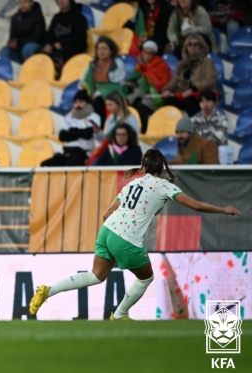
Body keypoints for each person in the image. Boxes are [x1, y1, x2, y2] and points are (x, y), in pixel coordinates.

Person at [29, 149, 242, 319]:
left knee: (96, 275)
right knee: (146, 277)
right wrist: (223, 209)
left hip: (107, 231)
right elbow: (195, 205)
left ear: (144, 167)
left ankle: (48, 290)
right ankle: (120, 314)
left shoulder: (132, 183)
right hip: (126, 239)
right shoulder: (163, 186)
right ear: (162, 168)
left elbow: (106, 214)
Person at [162, 34, 217, 118]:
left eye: (196, 44)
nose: (192, 47)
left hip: (201, 96)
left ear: (201, 46)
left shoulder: (207, 62)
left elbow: (210, 80)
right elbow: (175, 81)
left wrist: (193, 89)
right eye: (190, 44)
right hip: (183, 94)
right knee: (169, 101)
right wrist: (168, 90)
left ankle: (196, 128)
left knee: (189, 101)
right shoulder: (181, 64)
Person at [41, 90, 100, 166]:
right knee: (45, 165)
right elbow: (62, 136)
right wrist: (79, 132)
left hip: (83, 152)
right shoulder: (68, 117)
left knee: (69, 165)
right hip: (68, 152)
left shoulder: (93, 116)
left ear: (87, 103)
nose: (78, 104)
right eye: (75, 102)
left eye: (81, 101)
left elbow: (88, 134)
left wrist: (72, 131)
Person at [127, 40, 172, 133]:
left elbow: (162, 83)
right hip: (140, 92)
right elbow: (138, 79)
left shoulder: (161, 65)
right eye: (145, 52)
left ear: (155, 54)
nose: (147, 55)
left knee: (142, 105)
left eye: (150, 53)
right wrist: (133, 84)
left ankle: (144, 130)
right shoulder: (140, 65)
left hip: (154, 96)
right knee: (128, 102)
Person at [80, 36, 127, 125]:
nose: (101, 51)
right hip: (93, 93)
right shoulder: (93, 65)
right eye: (99, 49)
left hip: (113, 94)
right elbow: (84, 81)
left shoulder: (117, 64)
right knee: (80, 98)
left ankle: (99, 127)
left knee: (97, 101)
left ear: (111, 51)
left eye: (105, 49)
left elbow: (119, 84)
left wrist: (99, 93)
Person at [43, 0, 88, 78]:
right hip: (57, 46)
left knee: (63, 54)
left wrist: (62, 43)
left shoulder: (79, 17)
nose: (61, 1)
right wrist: (48, 44)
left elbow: (80, 37)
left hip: (74, 46)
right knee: (40, 53)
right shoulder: (56, 17)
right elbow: (50, 34)